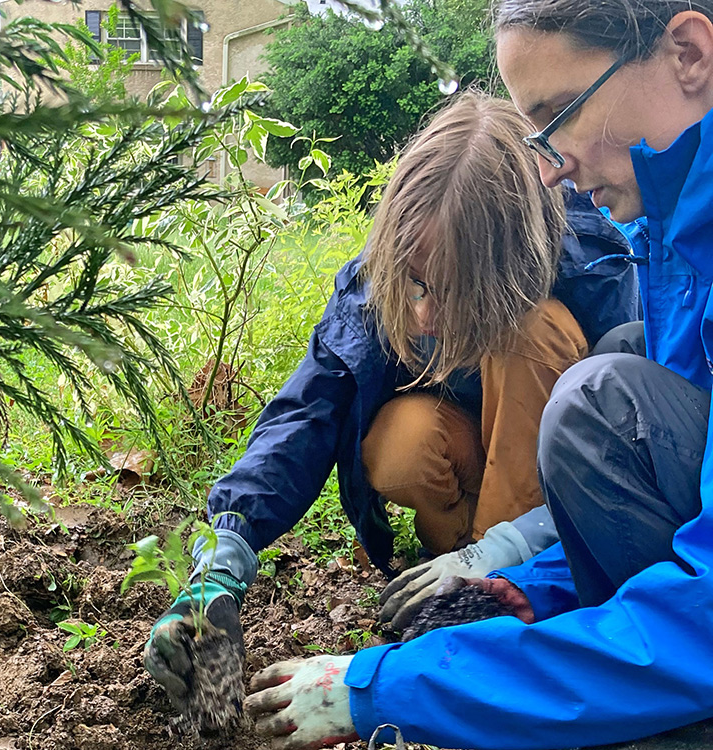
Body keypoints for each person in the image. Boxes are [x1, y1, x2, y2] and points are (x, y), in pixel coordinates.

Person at [242, 2, 713, 749]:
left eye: (564, 113)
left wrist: (393, 686)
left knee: (597, 393)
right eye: (540, 133)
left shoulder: (605, 254)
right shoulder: (671, 227)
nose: (555, 166)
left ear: (688, 53)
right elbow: (307, 408)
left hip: (657, 596)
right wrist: (529, 589)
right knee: (426, 435)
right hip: (532, 507)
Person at [142, 92, 639, 718]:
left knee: (530, 331)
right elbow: (305, 415)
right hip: (466, 465)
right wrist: (224, 557)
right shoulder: (381, 277)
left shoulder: (592, 269)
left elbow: (626, 459)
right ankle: (446, 576)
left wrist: (507, 550)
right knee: (401, 443)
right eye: (414, 282)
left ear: (513, 262)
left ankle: (502, 597)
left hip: (556, 509)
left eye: (452, 290)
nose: (425, 313)